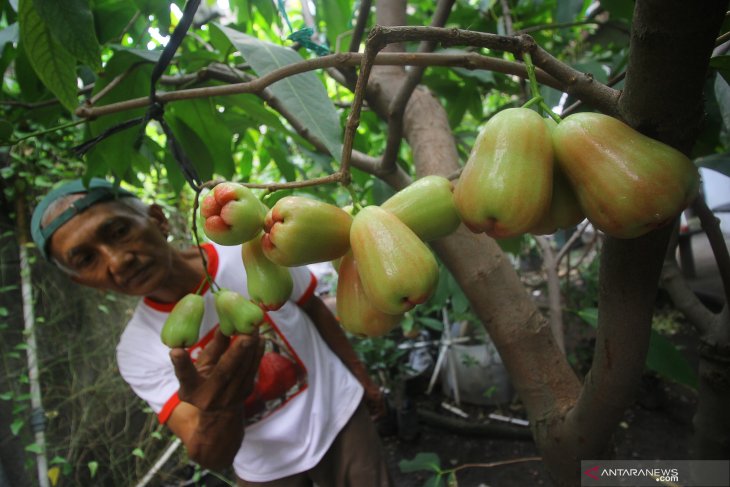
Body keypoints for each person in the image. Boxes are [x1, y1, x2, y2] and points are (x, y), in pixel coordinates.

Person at [30, 178, 393, 486]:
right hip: (265, 468)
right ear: (83, 281)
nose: (117, 260)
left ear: (156, 219)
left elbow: (313, 308)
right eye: (86, 259)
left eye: (119, 231)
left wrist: (362, 381)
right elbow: (208, 453)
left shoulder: (250, 246)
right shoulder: (136, 351)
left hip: (340, 415)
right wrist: (219, 407)